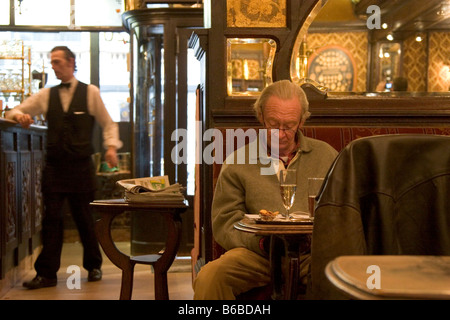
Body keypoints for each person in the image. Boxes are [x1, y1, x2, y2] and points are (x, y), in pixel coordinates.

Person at [192, 80, 338, 299]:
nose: (280, 133)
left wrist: (319, 241)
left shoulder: (326, 156)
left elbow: (342, 212)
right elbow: (225, 222)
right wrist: (261, 243)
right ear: (260, 116)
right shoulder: (239, 161)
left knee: (355, 274)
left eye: (288, 126)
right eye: (273, 124)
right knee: (210, 276)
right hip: (257, 255)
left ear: (301, 121)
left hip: (313, 254)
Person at [6, 46, 122, 289]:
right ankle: (47, 274)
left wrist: (111, 147)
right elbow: (14, 111)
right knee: (52, 219)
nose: (54, 66)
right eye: (52, 62)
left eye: (57, 62)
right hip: (55, 167)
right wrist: (20, 117)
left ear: (71, 62)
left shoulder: (90, 92)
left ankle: (94, 266)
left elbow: (108, 123)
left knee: (85, 220)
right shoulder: (47, 95)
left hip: (81, 167)